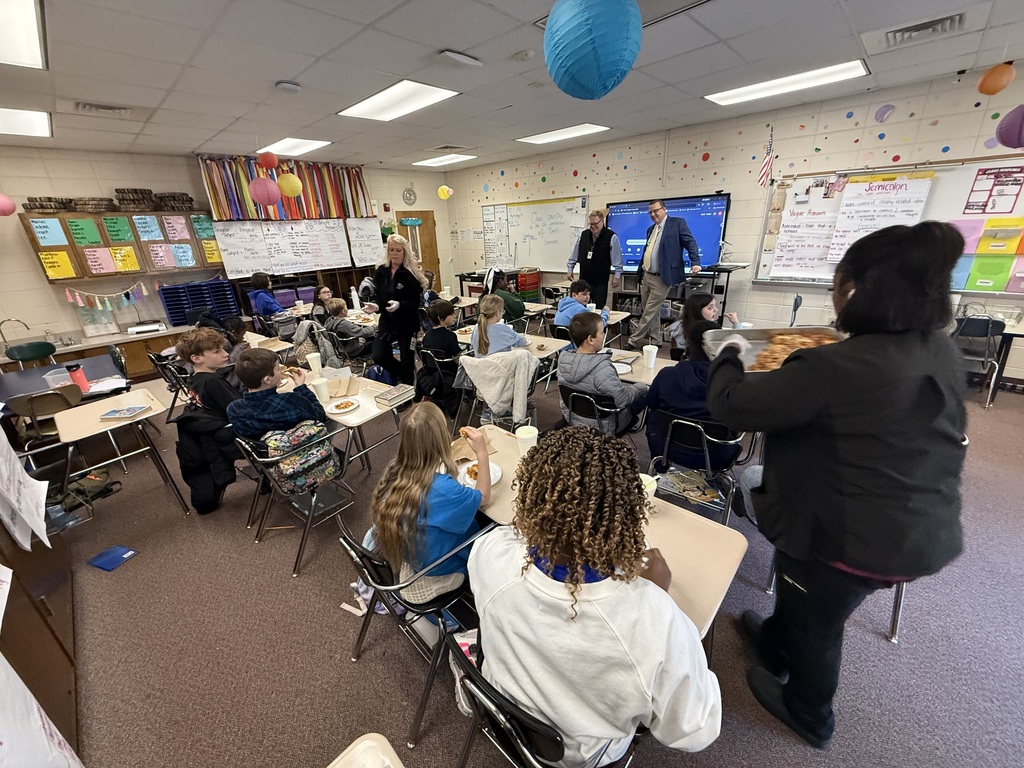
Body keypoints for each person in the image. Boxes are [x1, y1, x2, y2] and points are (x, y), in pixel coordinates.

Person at [706, 221, 968, 749]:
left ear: (863, 291)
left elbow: (730, 405)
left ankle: (809, 712)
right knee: (805, 596)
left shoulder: (831, 367)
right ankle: (776, 645)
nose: (834, 293)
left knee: (820, 623)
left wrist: (730, 353)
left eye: (839, 284)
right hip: (922, 524)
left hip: (849, 537)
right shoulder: (938, 351)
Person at [467, 427, 721, 767]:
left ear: (531, 501)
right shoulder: (655, 622)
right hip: (580, 755)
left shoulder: (488, 553)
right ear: (629, 516)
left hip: (503, 712)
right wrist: (659, 598)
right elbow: (695, 729)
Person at [371, 403, 490, 600]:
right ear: (442, 438)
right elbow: (484, 498)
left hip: (415, 554)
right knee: (492, 524)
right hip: (441, 565)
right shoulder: (443, 489)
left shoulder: (394, 470)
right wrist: (482, 453)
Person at [645, 320, 740, 471]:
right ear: (720, 346)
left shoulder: (667, 374)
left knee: (652, 415)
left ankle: (660, 468)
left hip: (668, 448)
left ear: (688, 344)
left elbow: (651, 402)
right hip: (716, 456)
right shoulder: (732, 383)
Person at [173, 328, 242, 514]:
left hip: (212, 435)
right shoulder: (213, 382)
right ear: (196, 358)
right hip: (231, 436)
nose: (226, 354)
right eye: (217, 351)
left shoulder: (194, 379)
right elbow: (241, 409)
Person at [627, 200, 701, 350]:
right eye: (650, 212)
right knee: (650, 311)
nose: (653, 214)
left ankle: (633, 340)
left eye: (656, 211)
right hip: (647, 275)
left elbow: (690, 242)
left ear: (664, 209)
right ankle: (656, 340)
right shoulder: (650, 229)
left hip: (662, 278)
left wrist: (695, 261)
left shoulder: (677, 223)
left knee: (648, 311)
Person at [557, 311, 647, 434]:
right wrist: (641, 387)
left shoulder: (562, 361)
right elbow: (623, 400)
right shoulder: (602, 368)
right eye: (602, 332)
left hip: (574, 420)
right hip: (604, 427)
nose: (604, 334)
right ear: (591, 339)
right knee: (645, 393)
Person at [363, 234, 426, 385]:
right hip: (387, 321)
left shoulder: (410, 275)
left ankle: (408, 392)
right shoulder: (381, 272)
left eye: (398, 250)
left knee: (407, 360)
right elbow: (379, 297)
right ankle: (403, 376)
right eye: (391, 250)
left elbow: (414, 302)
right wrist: (377, 306)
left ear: (404, 252)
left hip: (407, 323)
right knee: (379, 355)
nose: (394, 253)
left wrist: (399, 305)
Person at [226, 348, 328, 440]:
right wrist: (301, 388)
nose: (281, 371)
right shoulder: (291, 400)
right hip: (304, 451)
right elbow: (319, 414)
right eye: (278, 369)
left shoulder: (234, 409)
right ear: (267, 380)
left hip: (267, 457)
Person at [566, 209, 623, 308]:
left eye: (595, 223)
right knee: (581, 307)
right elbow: (574, 254)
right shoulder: (583, 235)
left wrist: (617, 276)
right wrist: (570, 268)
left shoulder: (611, 237)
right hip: (584, 279)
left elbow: (617, 259)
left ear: (602, 221)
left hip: (600, 281)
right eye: (590, 224)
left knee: (598, 308)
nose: (592, 226)